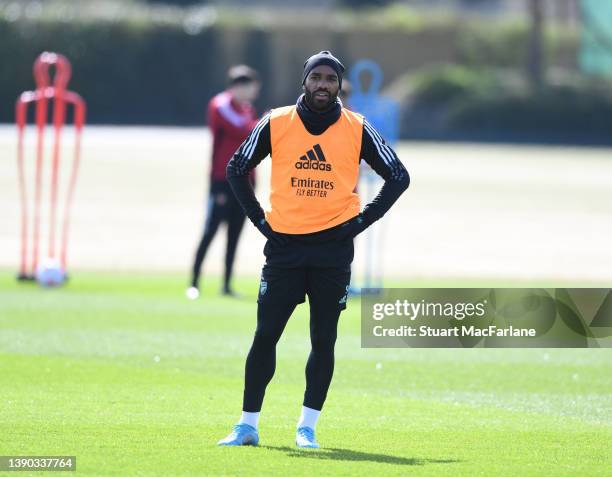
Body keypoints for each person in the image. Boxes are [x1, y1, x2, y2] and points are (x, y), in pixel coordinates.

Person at [218, 51, 409, 448]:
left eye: (330, 79)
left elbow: (398, 176)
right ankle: (247, 425)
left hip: (332, 253)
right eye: (316, 77)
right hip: (284, 249)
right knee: (265, 336)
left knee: (324, 341)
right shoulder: (276, 121)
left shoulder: (358, 127)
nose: (323, 84)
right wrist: (260, 221)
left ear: (339, 85)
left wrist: (360, 222)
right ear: (304, 81)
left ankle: (307, 428)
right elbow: (236, 167)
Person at [187, 65, 260, 300]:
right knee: (210, 230)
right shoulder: (221, 105)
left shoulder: (248, 110)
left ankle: (227, 284)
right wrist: (261, 125)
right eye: (247, 86)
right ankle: (194, 282)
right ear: (236, 87)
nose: (251, 91)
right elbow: (243, 130)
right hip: (221, 180)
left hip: (245, 182)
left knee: (234, 234)